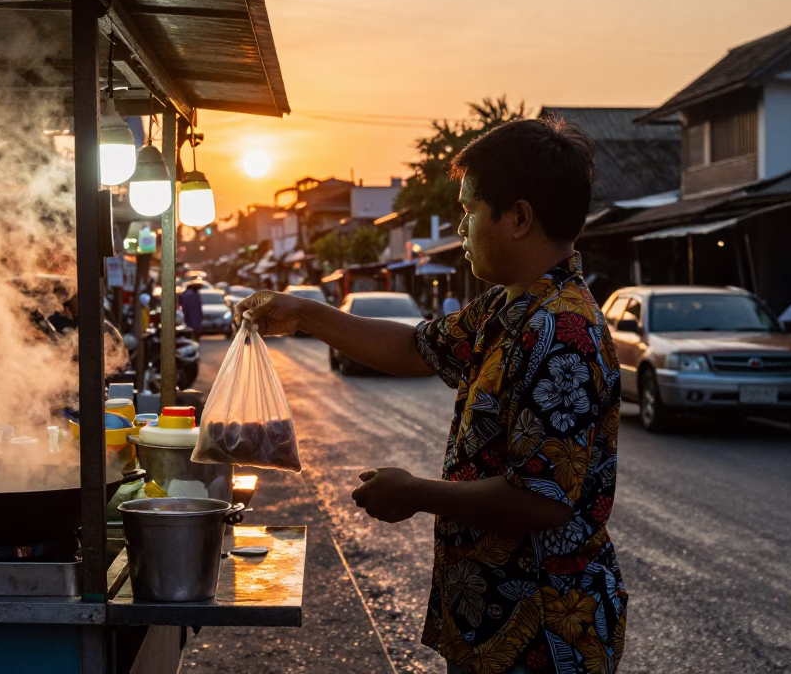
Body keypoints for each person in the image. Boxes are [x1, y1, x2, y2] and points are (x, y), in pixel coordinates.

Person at [238, 119, 626, 674]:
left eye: (469, 211)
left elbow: (541, 498)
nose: (460, 228)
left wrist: (417, 493)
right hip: (490, 618)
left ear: (518, 217)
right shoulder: (506, 309)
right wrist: (303, 314)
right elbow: (416, 348)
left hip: (544, 631)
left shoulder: (563, 332)